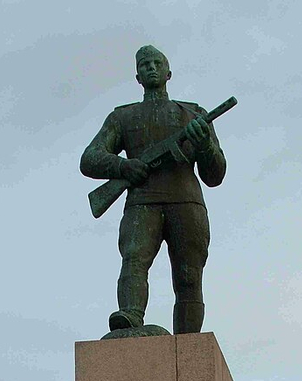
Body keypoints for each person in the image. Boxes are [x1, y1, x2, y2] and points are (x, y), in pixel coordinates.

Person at [80, 45, 227, 334]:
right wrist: (124, 167)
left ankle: (188, 343)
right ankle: (130, 315)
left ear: (168, 72)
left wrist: (205, 145)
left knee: (188, 277)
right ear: (137, 76)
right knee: (134, 259)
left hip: (186, 202)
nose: (151, 67)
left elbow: (215, 174)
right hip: (142, 202)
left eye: (157, 62)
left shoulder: (193, 114)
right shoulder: (123, 117)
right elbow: (90, 158)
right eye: (144, 64)